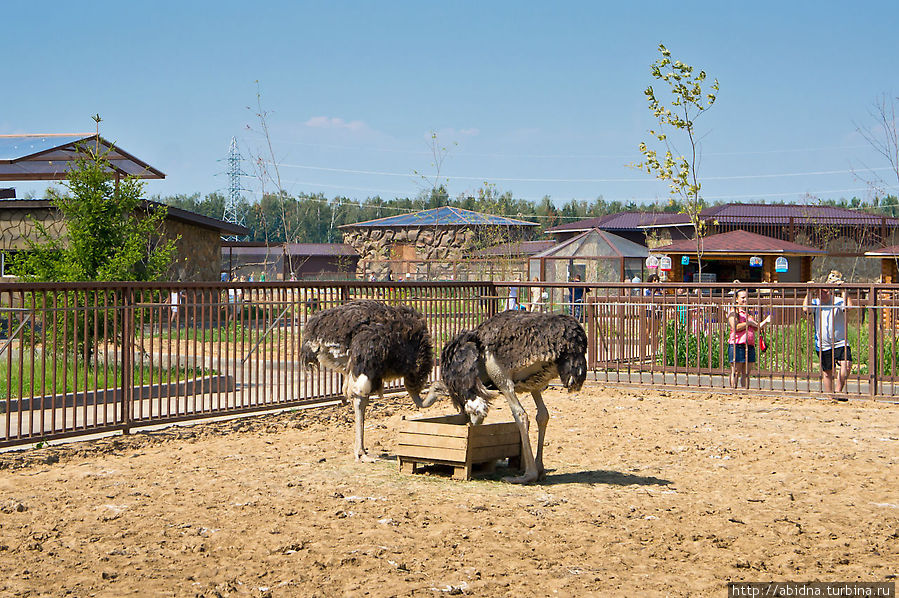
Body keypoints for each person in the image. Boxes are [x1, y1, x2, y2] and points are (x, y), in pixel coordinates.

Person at [803, 270, 853, 399]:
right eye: (819, 292)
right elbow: (806, 309)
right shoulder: (815, 302)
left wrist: (844, 290)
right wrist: (808, 291)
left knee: (846, 365)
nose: (822, 294)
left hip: (840, 341)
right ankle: (830, 396)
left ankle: (838, 391)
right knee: (827, 372)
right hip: (823, 343)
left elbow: (849, 308)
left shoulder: (838, 300)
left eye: (825, 291)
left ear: (830, 291)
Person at [727, 288, 770, 389]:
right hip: (737, 344)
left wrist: (765, 322)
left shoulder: (748, 314)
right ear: (737, 299)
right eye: (742, 298)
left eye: (746, 298)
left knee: (746, 372)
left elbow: (756, 327)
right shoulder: (734, 311)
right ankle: (734, 390)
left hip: (749, 345)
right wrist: (749, 323)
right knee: (736, 371)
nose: (745, 300)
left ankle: (745, 391)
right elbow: (735, 327)